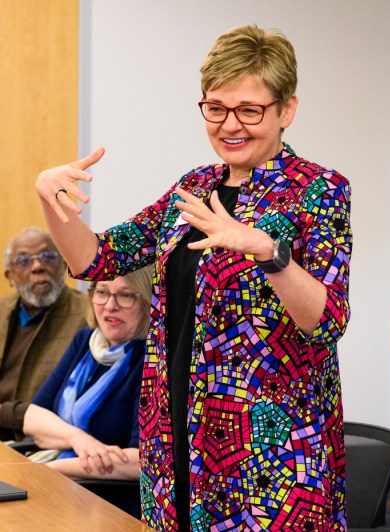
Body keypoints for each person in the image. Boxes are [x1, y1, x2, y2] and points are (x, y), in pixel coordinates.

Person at [35, 25, 352, 531]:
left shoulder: (317, 190)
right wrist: (52, 200)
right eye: (216, 107)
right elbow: (97, 259)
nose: (231, 125)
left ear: (286, 110)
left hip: (269, 452)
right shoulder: (195, 187)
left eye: (250, 110)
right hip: (176, 435)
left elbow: (328, 320)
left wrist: (269, 253)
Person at [21, 268, 152, 516]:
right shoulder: (86, 341)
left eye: (125, 295)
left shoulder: (151, 360)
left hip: (108, 504)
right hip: (62, 484)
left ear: (147, 300)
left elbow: (141, 462)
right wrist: (78, 439)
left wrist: (54, 468)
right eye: (102, 292)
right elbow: (33, 417)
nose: (110, 305)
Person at [0, 227, 88, 441]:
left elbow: (72, 401)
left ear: (64, 265)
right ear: (10, 276)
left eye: (48, 257)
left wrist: (1, 415)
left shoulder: (86, 315)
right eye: (24, 261)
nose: (38, 267)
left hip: (37, 440)